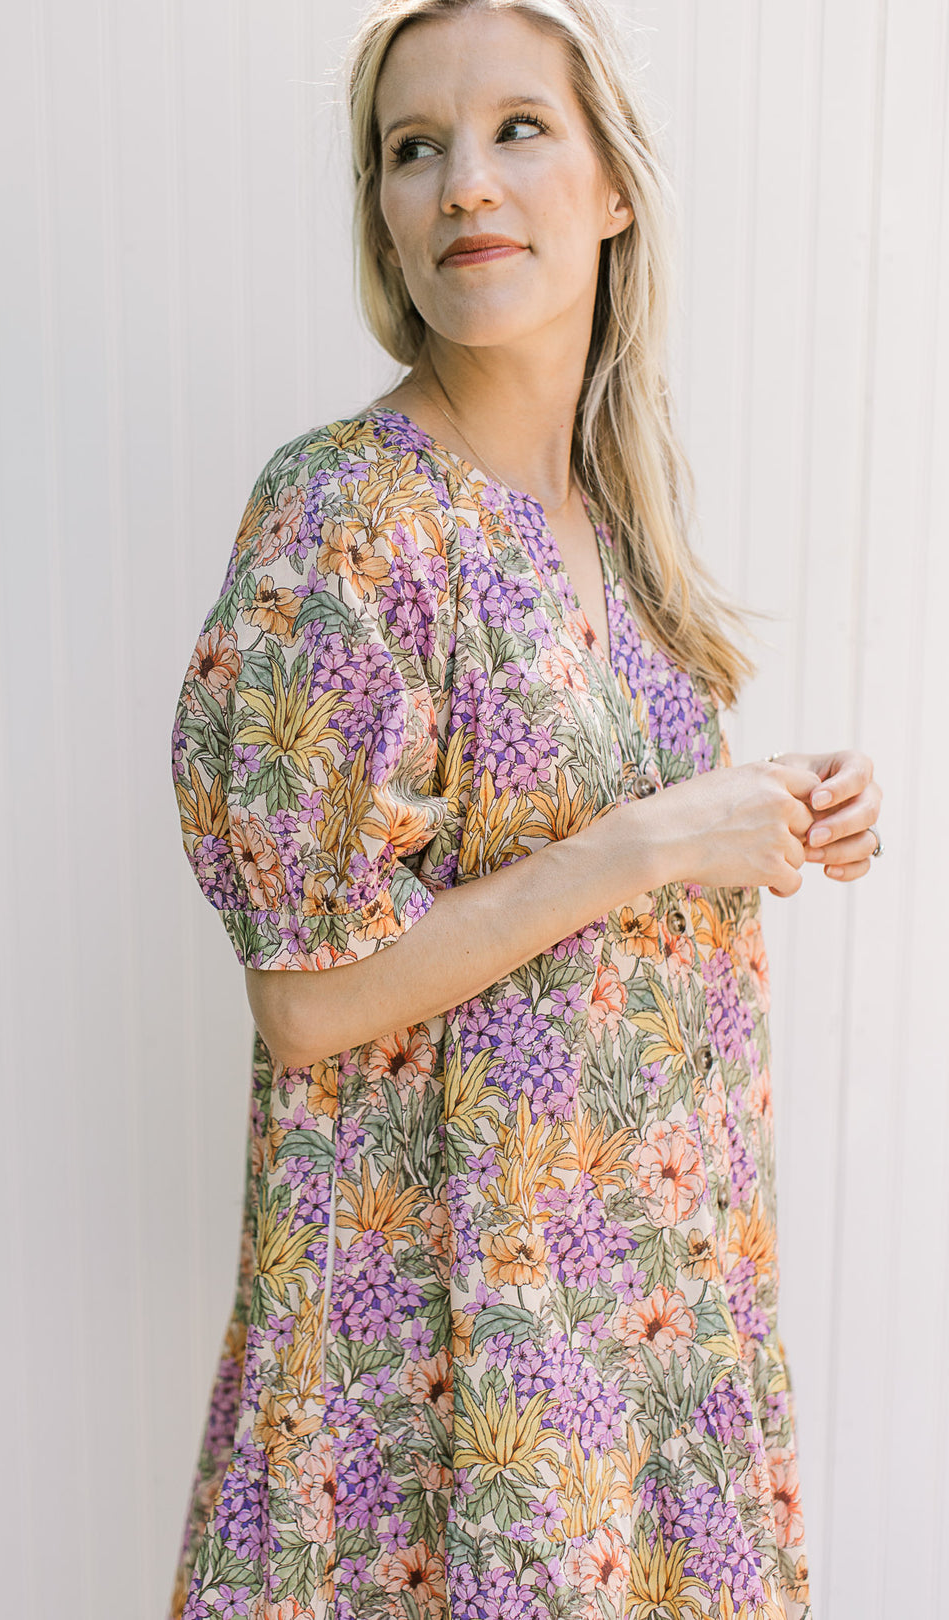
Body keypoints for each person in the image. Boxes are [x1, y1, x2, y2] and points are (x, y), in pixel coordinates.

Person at [167, 2, 883, 1616]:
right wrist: (650, 842)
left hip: (648, 1331)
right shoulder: (349, 514)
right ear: (384, 216)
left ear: (614, 185)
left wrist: (775, 808)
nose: (465, 186)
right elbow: (308, 998)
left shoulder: (617, 523)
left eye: (515, 130)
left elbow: (608, 868)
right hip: (454, 1371)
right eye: (413, 149)